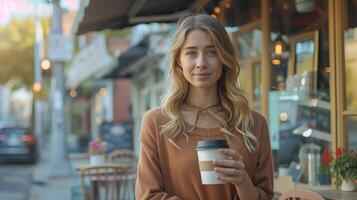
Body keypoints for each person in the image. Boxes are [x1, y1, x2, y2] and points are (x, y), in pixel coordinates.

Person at [136, 14, 274, 200]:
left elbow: (266, 196)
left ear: (225, 58)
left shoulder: (254, 124)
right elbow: (147, 195)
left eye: (212, 52)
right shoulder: (156, 122)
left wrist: (243, 182)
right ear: (179, 60)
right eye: (191, 53)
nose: (201, 63)